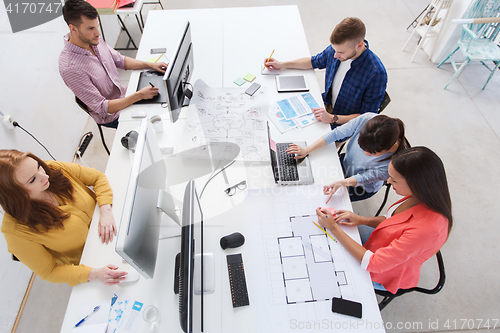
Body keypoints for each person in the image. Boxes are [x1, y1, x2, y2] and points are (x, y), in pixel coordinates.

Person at [316, 146, 453, 293]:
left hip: (384, 272)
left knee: (329, 270)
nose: (388, 181)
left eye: (393, 179)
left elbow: (374, 263)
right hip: (380, 242)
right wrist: (361, 219)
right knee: (333, 240)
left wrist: (333, 228)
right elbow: (391, 221)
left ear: (416, 183)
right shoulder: (420, 196)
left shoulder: (428, 229)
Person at [0, 149, 128, 286]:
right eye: (32, 180)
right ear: (15, 194)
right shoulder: (16, 231)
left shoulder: (53, 169)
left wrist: (105, 210)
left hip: (117, 222)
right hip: (97, 261)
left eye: (38, 166)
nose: (45, 176)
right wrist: (95, 274)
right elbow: (50, 271)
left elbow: (97, 177)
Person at [59, 0, 168, 128]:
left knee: (167, 97)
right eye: (90, 28)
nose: (98, 33)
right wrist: (139, 96)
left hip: (125, 94)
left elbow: (120, 60)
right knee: (161, 122)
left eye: (97, 26)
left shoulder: (93, 39)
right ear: (73, 29)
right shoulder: (70, 69)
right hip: (113, 115)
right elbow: (103, 107)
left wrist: (150, 65)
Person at [265, 17, 387, 128]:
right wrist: (282, 65)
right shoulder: (338, 50)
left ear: (359, 45)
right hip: (326, 105)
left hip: (343, 124)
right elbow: (313, 62)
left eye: (341, 52)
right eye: (334, 49)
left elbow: (366, 118)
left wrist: (332, 118)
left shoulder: (376, 73)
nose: (335, 55)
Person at [286, 113, 408, 202]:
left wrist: (342, 183)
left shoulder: (393, 164)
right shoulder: (367, 119)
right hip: (345, 163)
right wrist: (307, 150)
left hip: (362, 186)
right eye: (362, 148)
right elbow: (336, 133)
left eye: (371, 153)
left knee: (319, 198)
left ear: (387, 148)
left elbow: (364, 178)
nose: (365, 154)